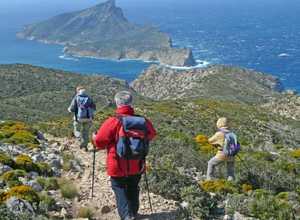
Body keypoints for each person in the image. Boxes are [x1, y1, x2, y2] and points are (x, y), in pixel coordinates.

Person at [92, 91, 156, 220]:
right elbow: (152, 134)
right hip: (137, 163)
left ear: (117, 103)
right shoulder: (142, 121)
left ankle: (127, 216)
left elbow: (99, 141)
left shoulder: (113, 121)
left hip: (117, 164)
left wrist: (94, 137)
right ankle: (133, 212)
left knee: (119, 188)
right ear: (131, 103)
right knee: (133, 186)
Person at [68, 86, 96, 151]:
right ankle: (84, 147)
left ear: (78, 91)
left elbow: (72, 108)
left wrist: (69, 110)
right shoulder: (89, 98)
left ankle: (79, 139)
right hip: (89, 118)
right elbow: (94, 108)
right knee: (86, 132)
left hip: (79, 118)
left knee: (76, 130)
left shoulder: (76, 97)